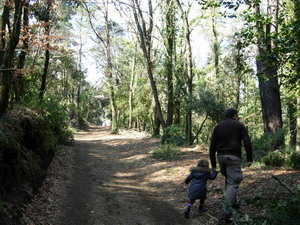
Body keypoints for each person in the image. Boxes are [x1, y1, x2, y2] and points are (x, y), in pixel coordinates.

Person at [209, 108, 253, 223]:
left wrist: (213, 164)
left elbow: (212, 146)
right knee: (233, 182)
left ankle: (233, 203)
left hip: (221, 157)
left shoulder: (218, 126)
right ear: (234, 115)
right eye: (236, 115)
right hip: (233, 157)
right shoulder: (239, 125)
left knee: (229, 179)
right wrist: (250, 158)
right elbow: (247, 141)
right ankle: (226, 212)